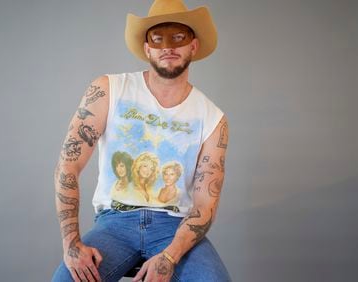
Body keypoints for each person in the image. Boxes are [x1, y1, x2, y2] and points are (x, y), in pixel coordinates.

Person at [52, 0, 231, 281]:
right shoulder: (109, 90)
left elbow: (204, 205)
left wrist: (171, 255)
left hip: (174, 227)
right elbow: (68, 166)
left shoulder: (212, 118)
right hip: (114, 223)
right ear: (147, 48)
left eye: (178, 37)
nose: (168, 47)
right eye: (157, 39)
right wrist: (71, 243)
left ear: (193, 46)